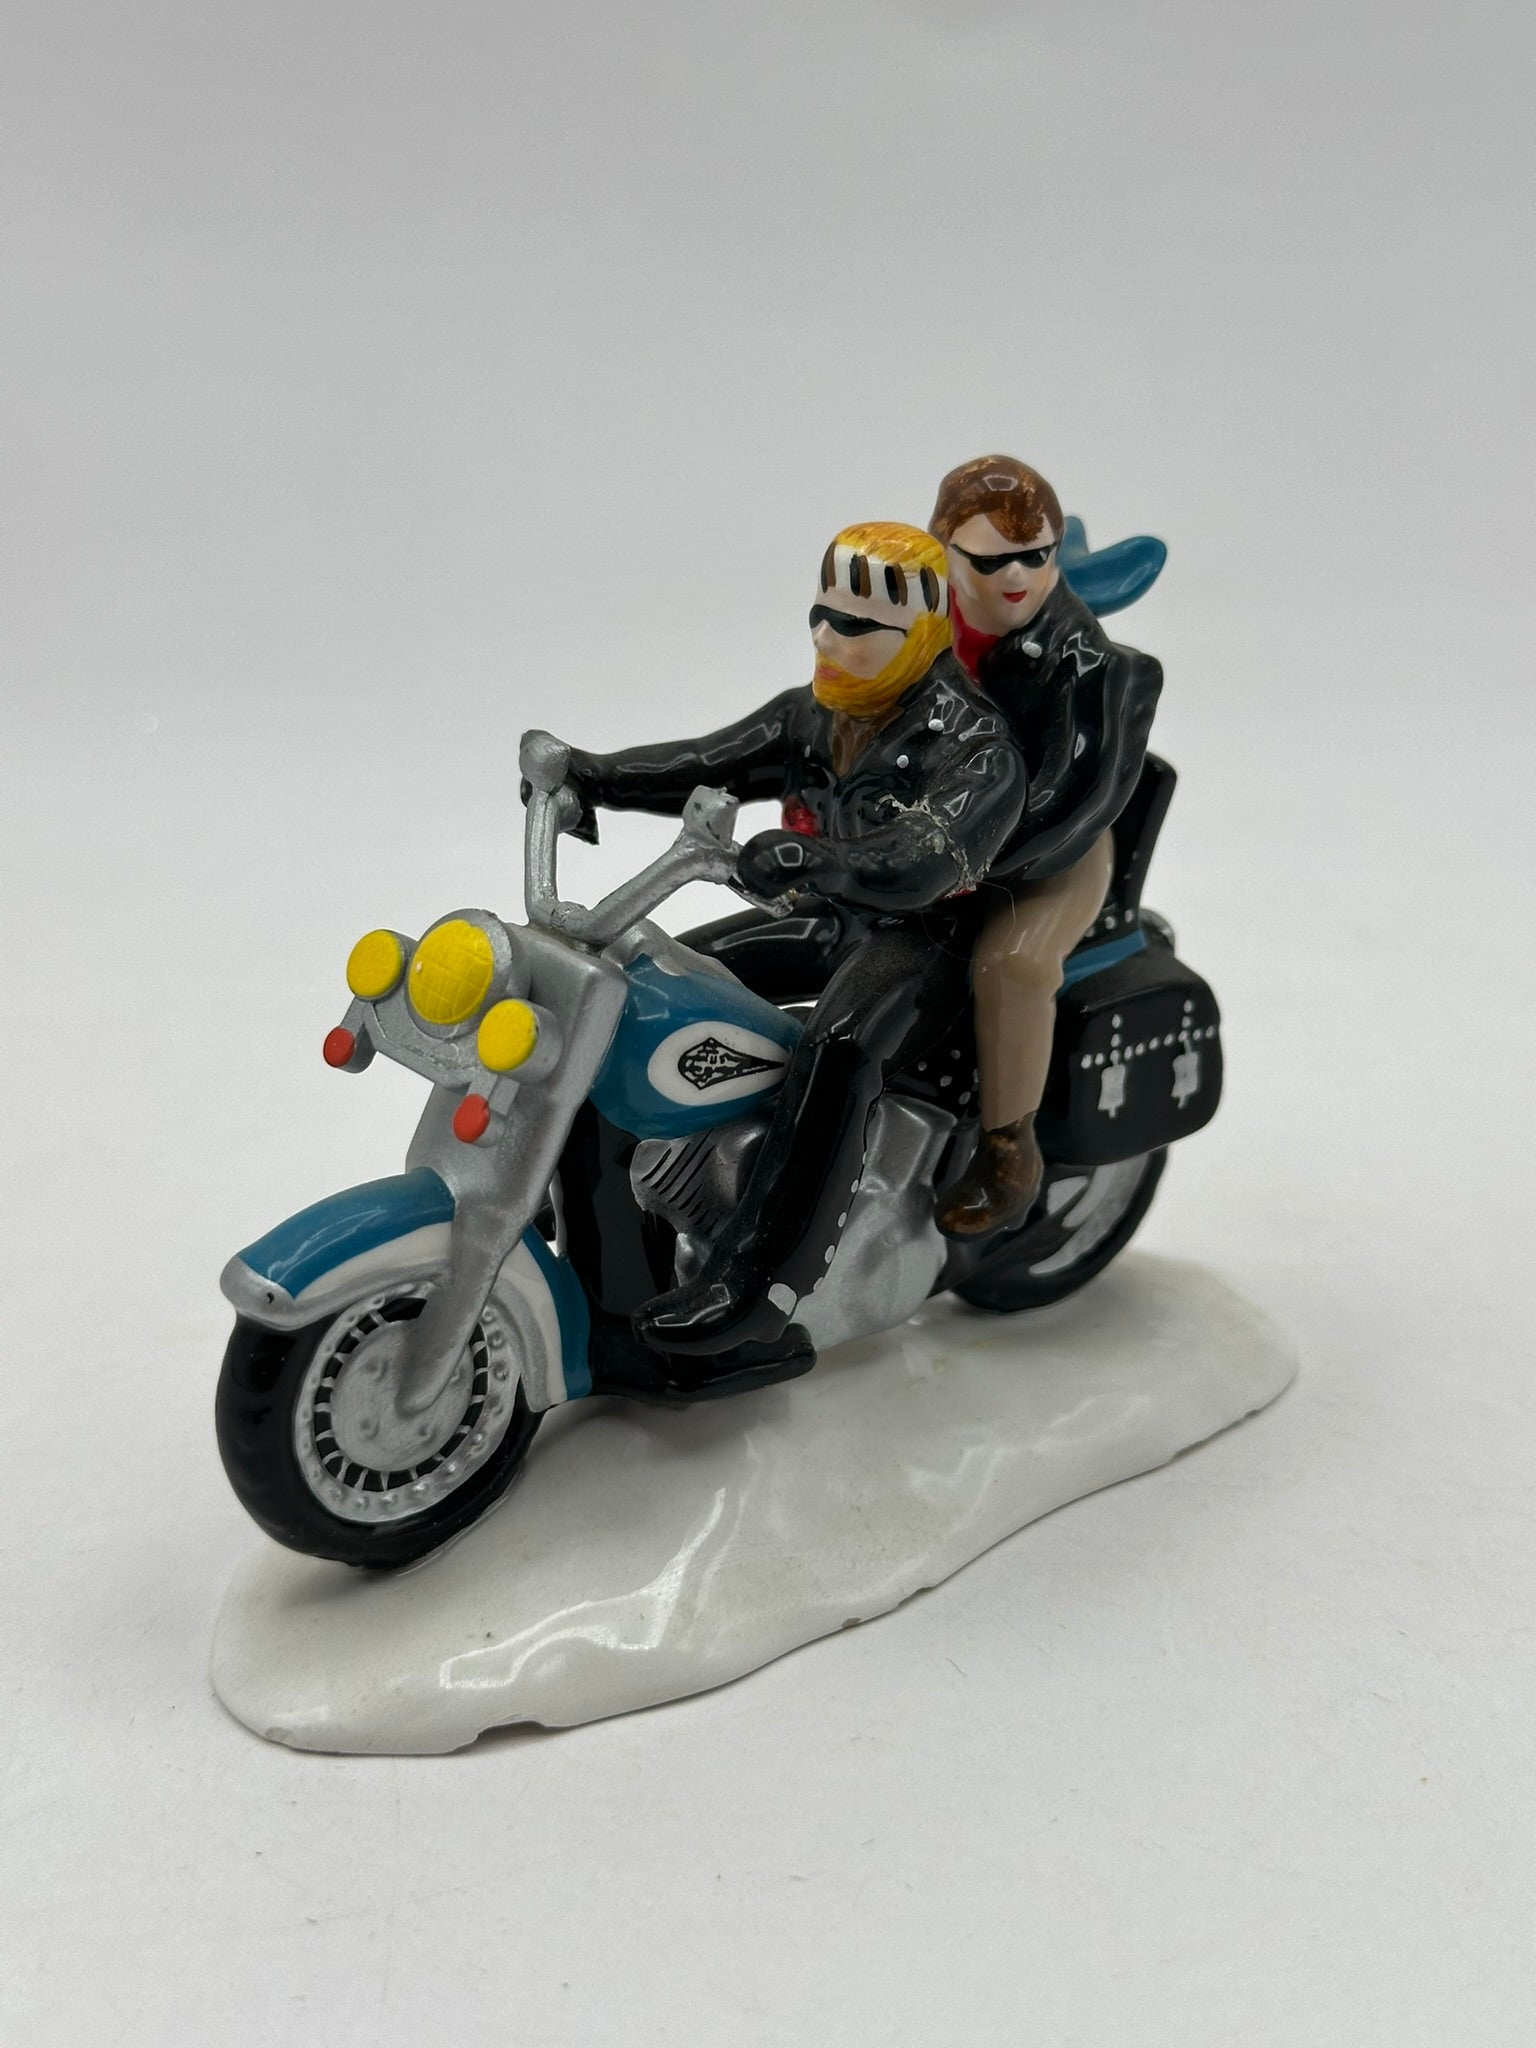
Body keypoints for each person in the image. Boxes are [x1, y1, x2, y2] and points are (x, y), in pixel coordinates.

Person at [559, 521, 1026, 1380]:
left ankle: (760, 1286)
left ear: (923, 630)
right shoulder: (815, 712)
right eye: (821, 614)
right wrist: (593, 773)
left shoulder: (975, 747)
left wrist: (825, 859)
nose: (825, 637)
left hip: (927, 941)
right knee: (628, 988)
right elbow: (707, 759)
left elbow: (924, 857)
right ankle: (609, 1271)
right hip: (827, 915)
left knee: (840, 1046)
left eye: (855, 625)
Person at [927, 455, 1164, 1235]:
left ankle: (1008, 1150)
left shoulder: (1093, 664)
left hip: (1049, 852)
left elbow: (1073, 795)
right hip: (920, 836)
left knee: (1015, 964)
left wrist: (967, 858)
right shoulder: (914, 624)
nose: (1017, 577)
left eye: (1037, 556)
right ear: (944, 550)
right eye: (991, 560)